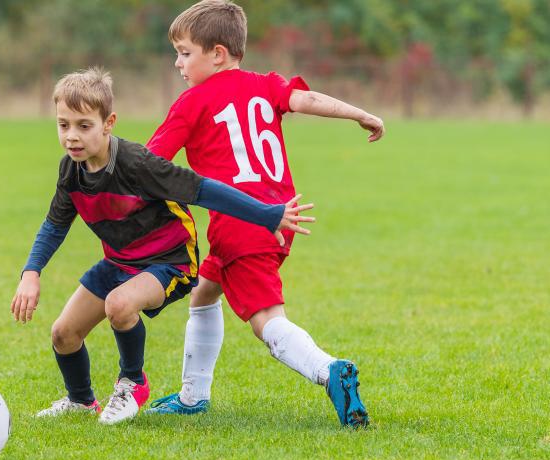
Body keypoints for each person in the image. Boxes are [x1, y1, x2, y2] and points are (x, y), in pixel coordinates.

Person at [10, 67, 314, 425]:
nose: (72, 137)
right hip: (121, 261)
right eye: (64, 125)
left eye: (83, 125)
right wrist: (31, 272)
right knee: (63, 334)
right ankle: (80, 400)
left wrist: (266, 214)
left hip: (170, 261)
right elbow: (55, 224)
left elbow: (204, 190)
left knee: (119, 305)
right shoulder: (71, 171)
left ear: (109, 123)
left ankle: (132, 383)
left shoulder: (136, 164)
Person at [143, 0, 384, 428]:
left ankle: (328, 371)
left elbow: (149, 163)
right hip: (279, 215)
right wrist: (359, 113)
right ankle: (193, 395)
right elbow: (306, 98)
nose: (177, 63)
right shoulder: (265, 83)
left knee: (267, 321)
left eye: (184, 52)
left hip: (242, 223)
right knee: (203, 293)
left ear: (217, 53)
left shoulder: (192, 102)